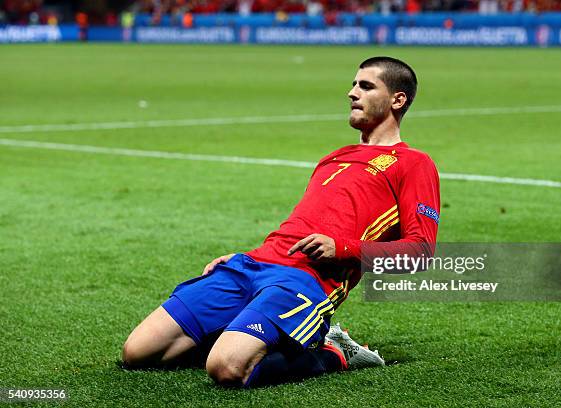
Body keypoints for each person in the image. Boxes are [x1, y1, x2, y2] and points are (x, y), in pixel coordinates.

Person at [122, 56, 440, 388]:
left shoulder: (414, 164)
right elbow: (300, 223)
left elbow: (420, 252)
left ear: (397, 100)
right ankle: (248, 326)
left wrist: (342, 248)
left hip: (305, 281)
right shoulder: (333, 158)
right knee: (139, 352)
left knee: (226, 368)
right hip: (255, 265)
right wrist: (248, 255)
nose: (351, 92)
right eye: (353, 84)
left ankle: (333, 350)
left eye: (365, 86)